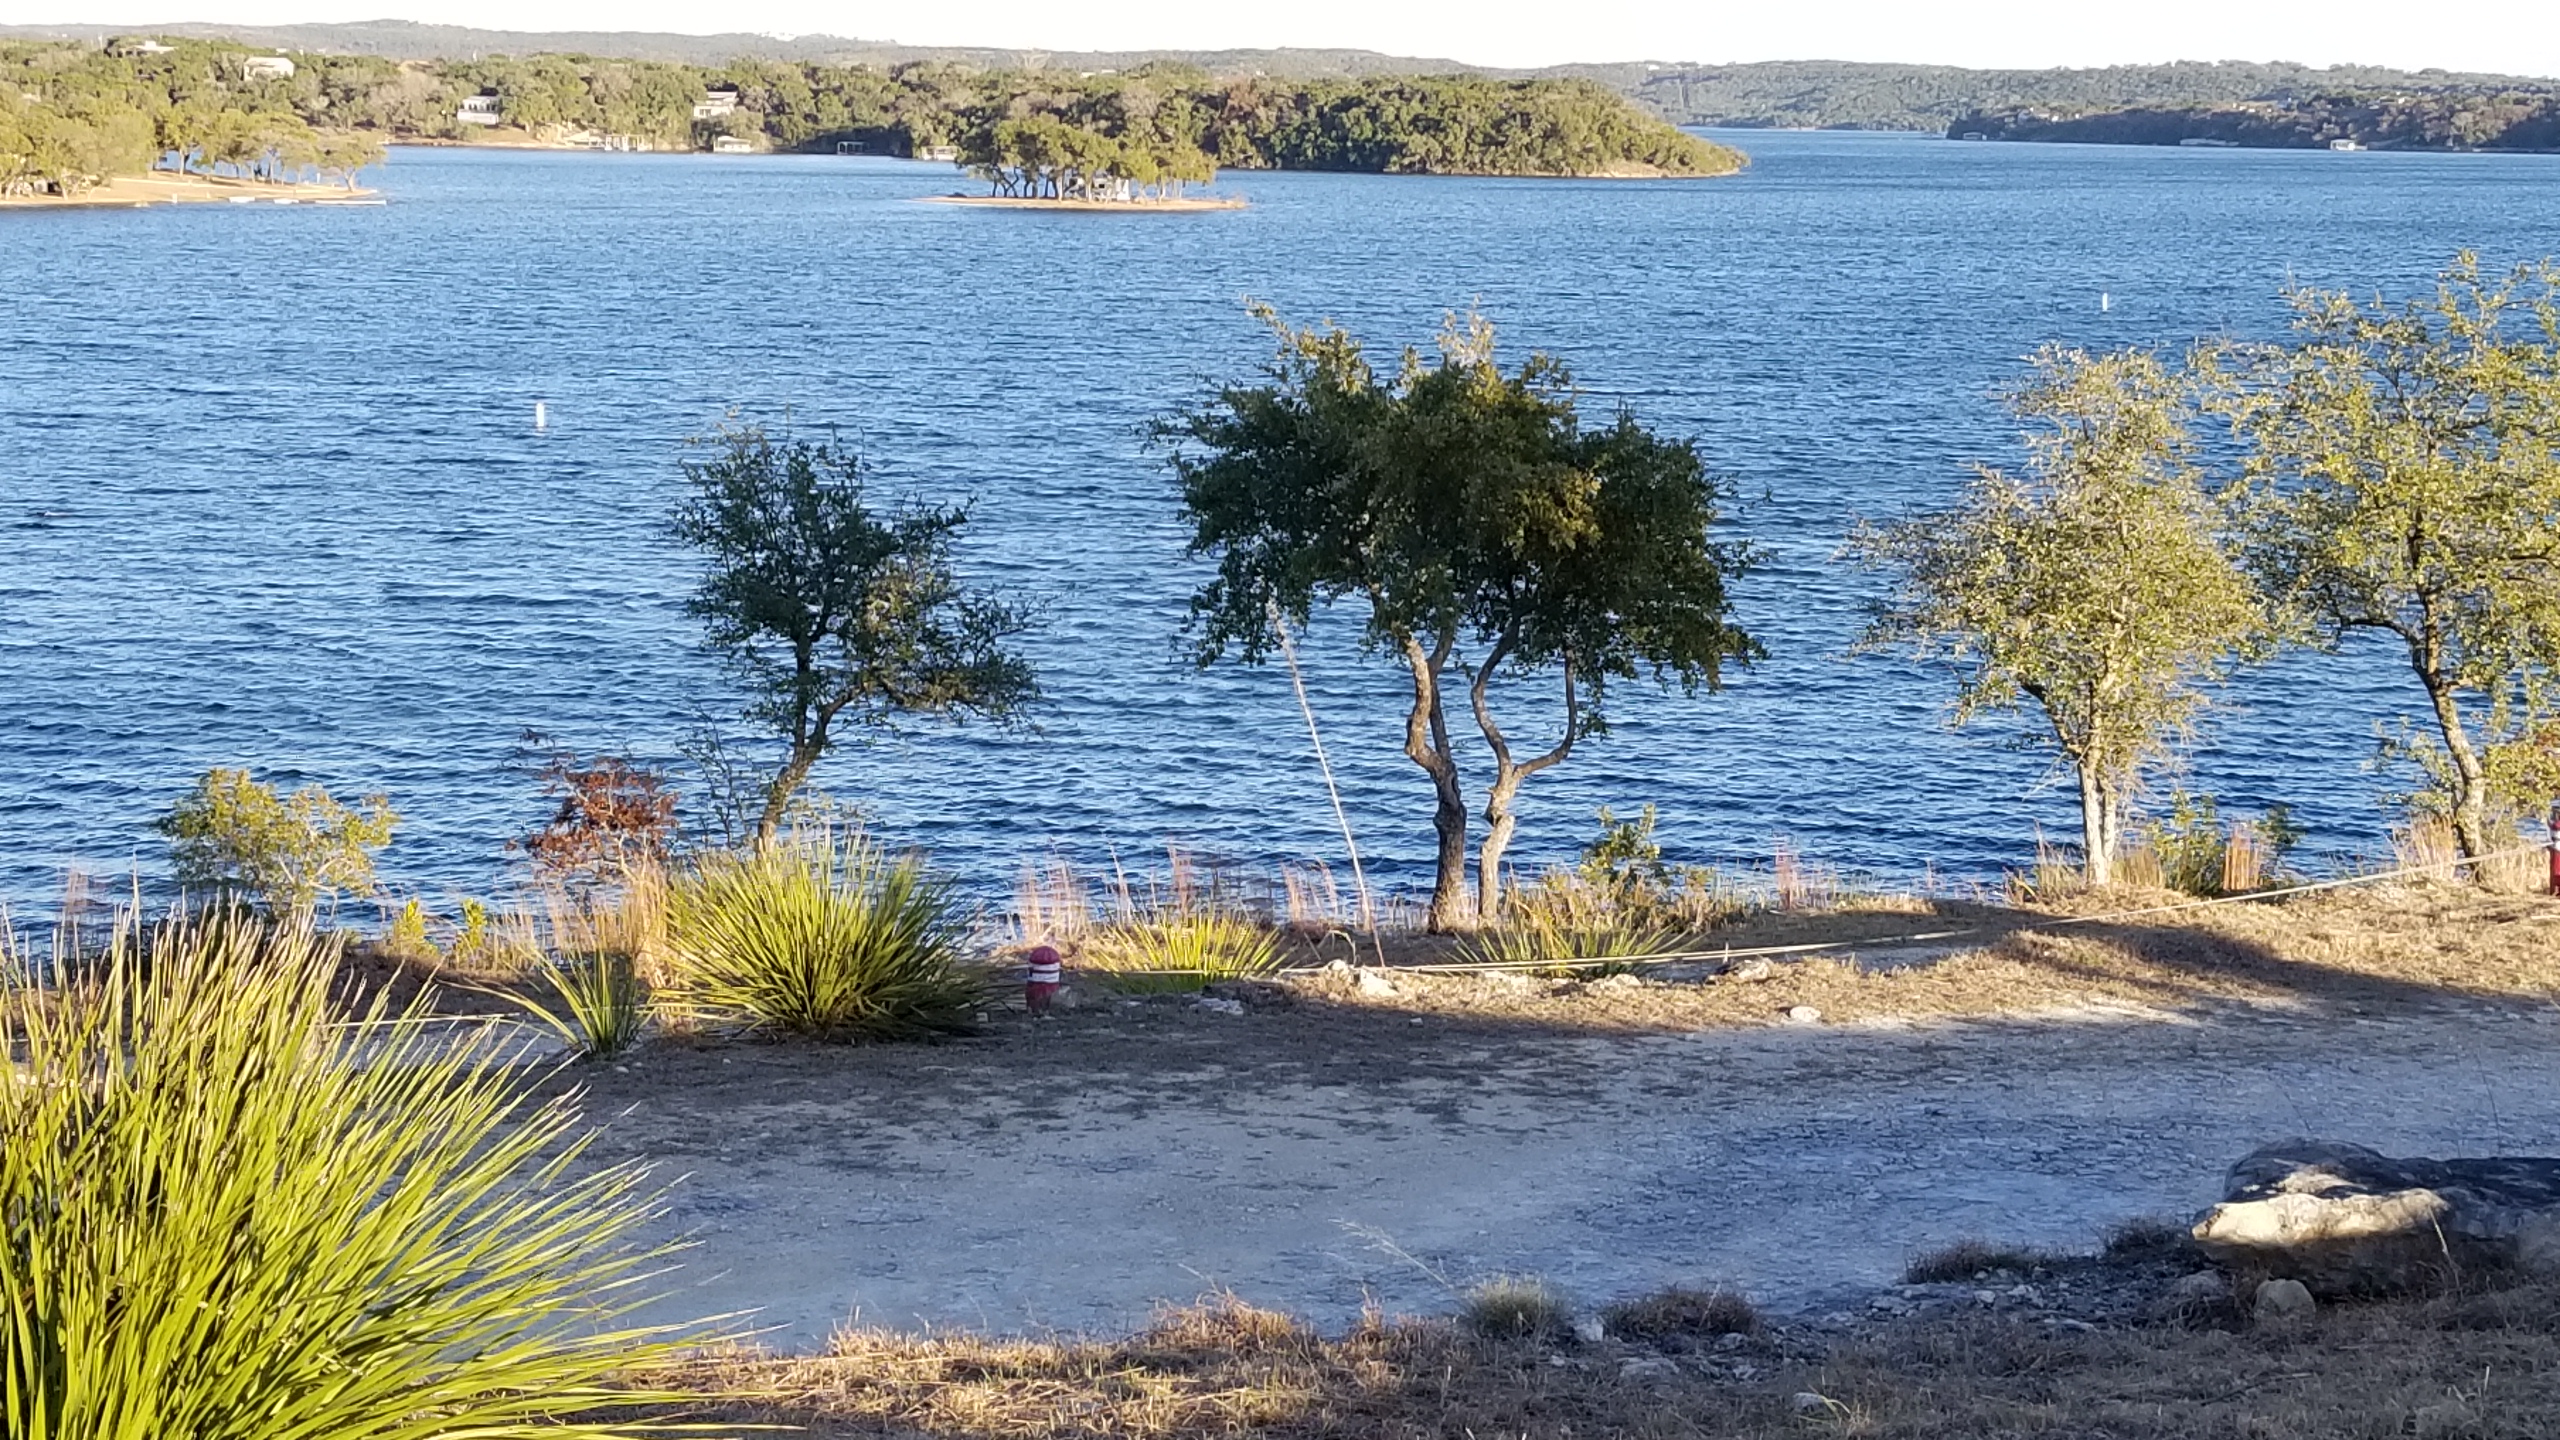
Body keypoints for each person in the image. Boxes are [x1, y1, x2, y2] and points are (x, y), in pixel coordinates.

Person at [1024, 944, 1063, 1016]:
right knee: (1045, 993)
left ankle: (1033, 1009)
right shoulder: (1052, 988)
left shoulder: (1032, 985)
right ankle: (1044, 1010)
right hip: (1050, 981)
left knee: (1035, 994)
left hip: (1035, 982)